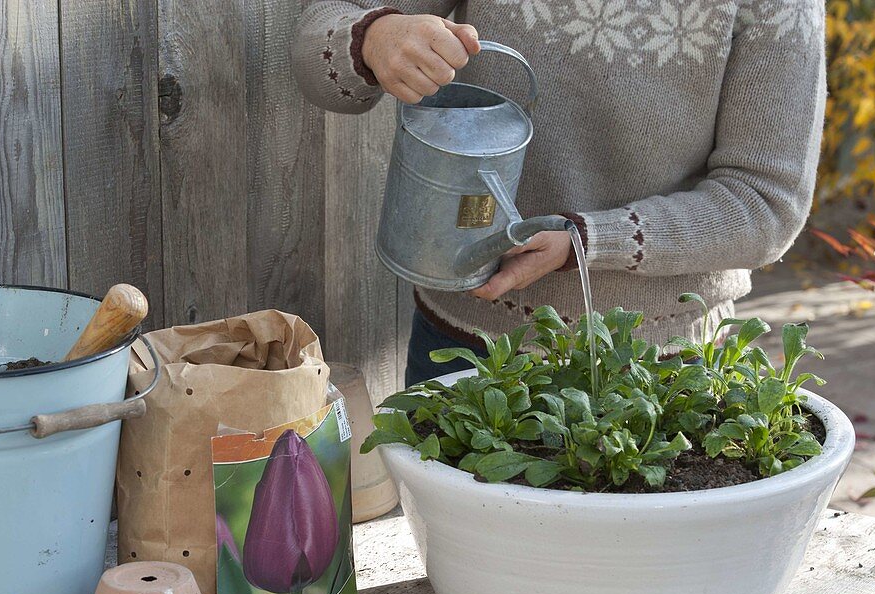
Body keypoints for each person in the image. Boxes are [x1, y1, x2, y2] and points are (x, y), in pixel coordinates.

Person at [292, 1, 826, 386]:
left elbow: (767, 203)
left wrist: (589, 240)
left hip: (666, 368)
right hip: (467, 347)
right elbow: (316, 38)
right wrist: (374, 37)